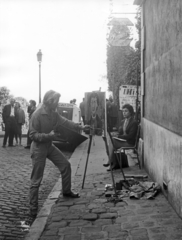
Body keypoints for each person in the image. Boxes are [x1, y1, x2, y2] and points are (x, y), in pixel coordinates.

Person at [28, 90, 89, 218]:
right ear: (50, 101)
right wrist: (48, 135)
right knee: (36, 180)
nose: (58, 103)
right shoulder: (37, 114)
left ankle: (66, 191)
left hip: (49, 145)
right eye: (56, 101)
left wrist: (81, 127)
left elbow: (66, 122)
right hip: (38, 148)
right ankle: (33, 209)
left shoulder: (53, 113)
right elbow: (32, 135)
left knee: (65, 165)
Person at [103, 104, 138, 171]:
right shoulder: (123, 121)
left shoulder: (133, 123)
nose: (124, 113)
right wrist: (115, 133)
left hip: (129, 142)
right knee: (110, 139)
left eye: (126, 111)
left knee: (112, 141)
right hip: (123, 140)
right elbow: (120, 132)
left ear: (130, 112)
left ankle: (110, 161)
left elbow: (130, 136)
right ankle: (111, 162)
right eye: (123, 111)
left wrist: (118, 136)